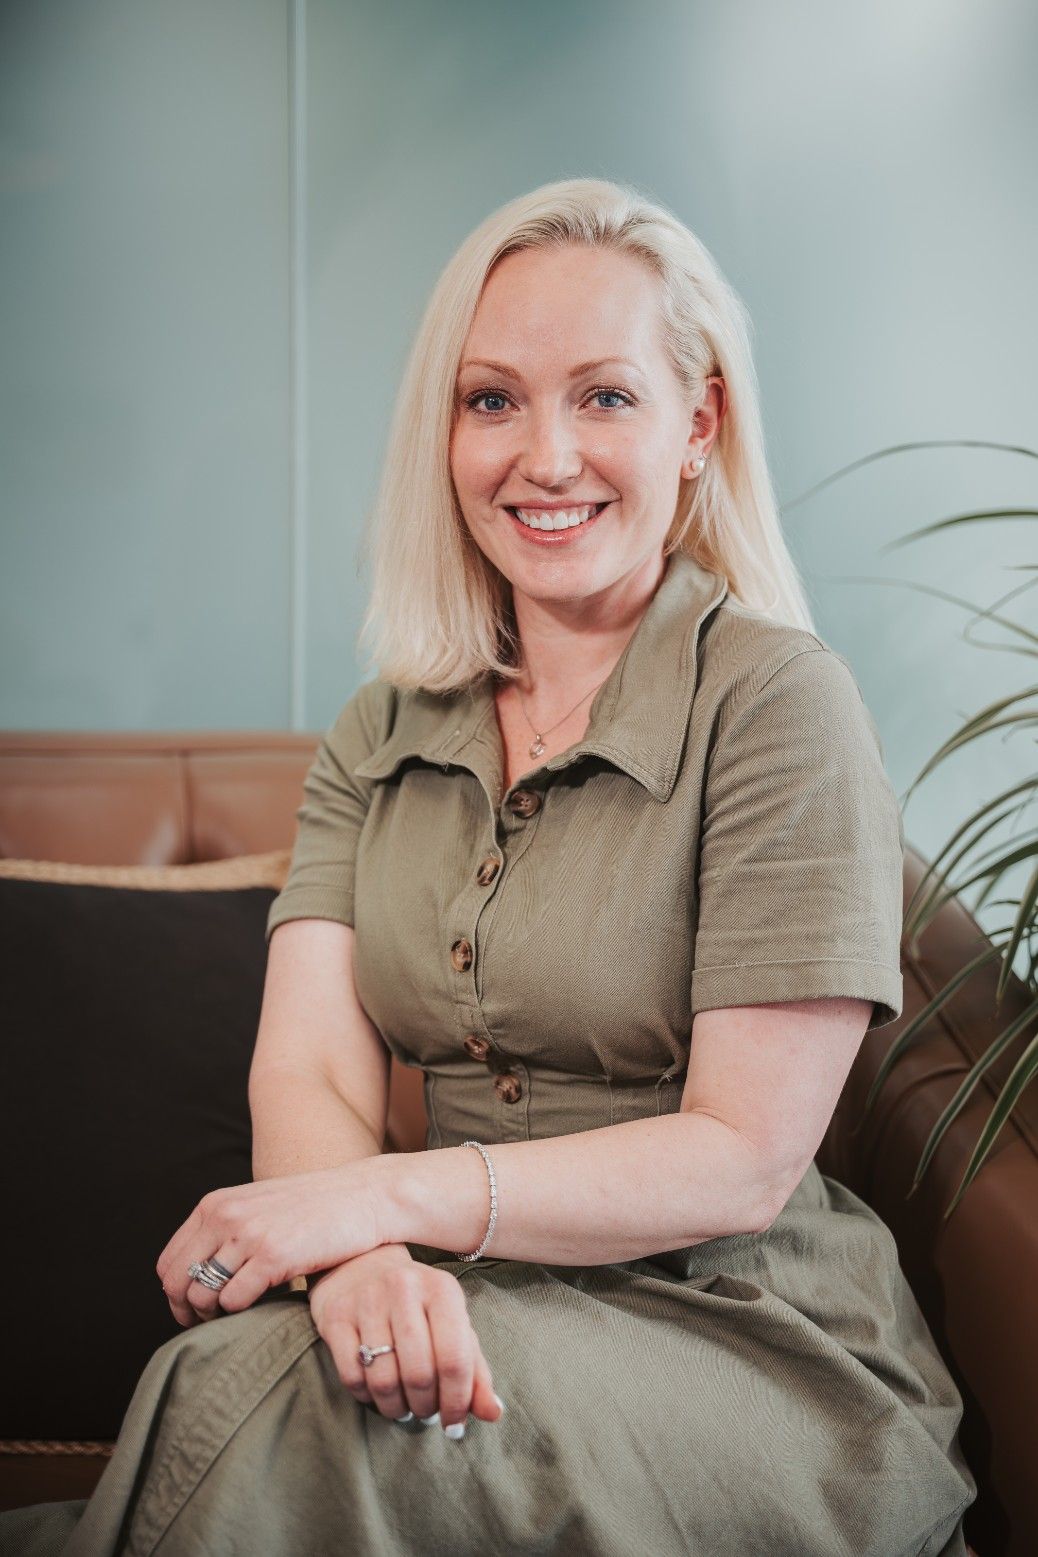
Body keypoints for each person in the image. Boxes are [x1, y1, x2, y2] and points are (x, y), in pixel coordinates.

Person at [3, 176, 977, 1557]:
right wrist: (364, 1265)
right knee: (234, 1372)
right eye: (492, 400)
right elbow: (312, 1071)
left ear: (698, 424)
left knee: (303, 1416)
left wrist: (377, 1203)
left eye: (605, 397)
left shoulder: (778, 703)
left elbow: (741, 1160)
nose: (545, 456)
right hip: (472, 1294)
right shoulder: (379, 730)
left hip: (743, 1337)